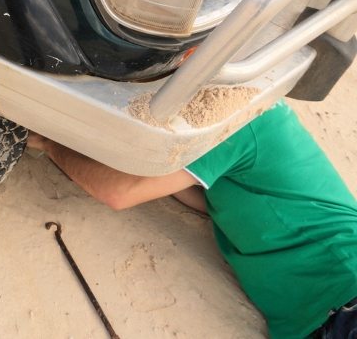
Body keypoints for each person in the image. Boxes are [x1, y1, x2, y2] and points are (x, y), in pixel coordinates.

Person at [28, 100, 357, 338]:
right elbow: (206, 200)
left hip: (342, 296)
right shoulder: (242, 129)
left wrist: (49, 142)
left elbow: (120, 192)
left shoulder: (241, 117)